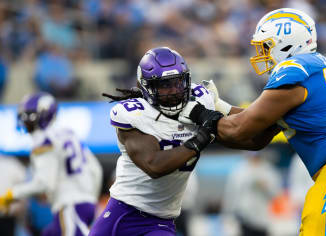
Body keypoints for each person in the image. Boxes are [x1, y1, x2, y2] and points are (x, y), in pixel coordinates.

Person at [179, 8, 326, 236]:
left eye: (266, 46)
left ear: (286, 43)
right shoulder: (310, 69)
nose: (261, 54)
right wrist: (219, 107)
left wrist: (200, 114)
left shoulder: (294, 69)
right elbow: (255, 138)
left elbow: (238, 129)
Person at [89, 47, 279, 236]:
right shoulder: (134, 114)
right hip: (122, 213)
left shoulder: (200, 100)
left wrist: (279, 118)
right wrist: (203, 136)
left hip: (159, 221)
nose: (173, 92)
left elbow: (252, 139)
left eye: (178, 83)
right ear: (147, 87)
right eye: (164, 85)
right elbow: (154, 165)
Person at [0, 92, 103, 236]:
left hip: (70, 206)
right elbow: (95, 169)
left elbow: (44, 184)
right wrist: (90, 198)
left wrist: (12, 194)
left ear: (43, 114)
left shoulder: (43, 141)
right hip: (84, 203)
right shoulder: (68, 133)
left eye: (29, 114)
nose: (25, 120)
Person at [222, 151, 281, 236]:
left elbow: (276, 193)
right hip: (244, 218)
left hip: (263, 219)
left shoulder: (268, 170)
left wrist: (265, 186)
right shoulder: (239, 170)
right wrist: (228, 213)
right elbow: (231, 193)